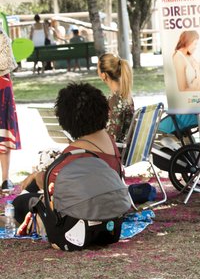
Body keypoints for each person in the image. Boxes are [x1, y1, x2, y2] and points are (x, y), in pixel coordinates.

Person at [13, 83, 122, 228]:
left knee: (19, 203)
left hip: (81, 210)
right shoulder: (109, 140)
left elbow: (50, 185)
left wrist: (36, 175)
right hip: (109, 203)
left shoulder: (76, 151)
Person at [0, 29, 20, 192]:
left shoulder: (2, 37)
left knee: (3, 134)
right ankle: (5, 179)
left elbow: (7, 63)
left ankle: (5, 178)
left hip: (2, 88)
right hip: (3, 86)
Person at [97, 53, 134, 143]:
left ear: (103, 75)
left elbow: (112, 137)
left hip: (115, 152)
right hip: (122, 148)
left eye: (97, 69)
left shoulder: (115, 100)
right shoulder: (124, 95)